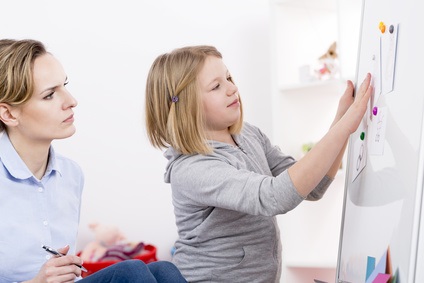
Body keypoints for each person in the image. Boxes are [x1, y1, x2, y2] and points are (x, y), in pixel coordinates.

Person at [144, 45, 373, 283]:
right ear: (186, 107)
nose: (233, 88)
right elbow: (274, 196)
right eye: (216, 86)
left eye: (229, 78)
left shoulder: (249, 136)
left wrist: (341, 122)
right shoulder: (192, 169)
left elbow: (313, 187)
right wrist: (346, 125)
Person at [0, 39, 187, 283]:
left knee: (164, 271)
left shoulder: (71, 174)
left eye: (64, 86)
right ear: (9, 113)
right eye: (49, 95)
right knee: (130, 272)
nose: (71, 101)